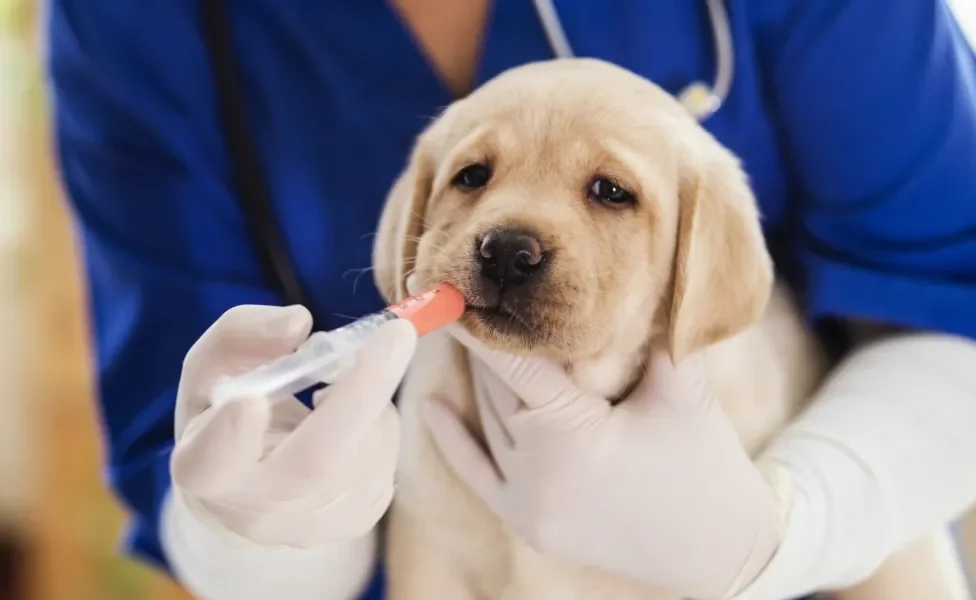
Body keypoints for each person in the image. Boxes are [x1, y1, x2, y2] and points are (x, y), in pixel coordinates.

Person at [45, 0, 976, 599]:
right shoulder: (135, 23)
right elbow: (170, 428)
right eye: (473, 174)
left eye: (610, 190)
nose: (509, 236)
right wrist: (260, 539)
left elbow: (954, 290)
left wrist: (786, 524)